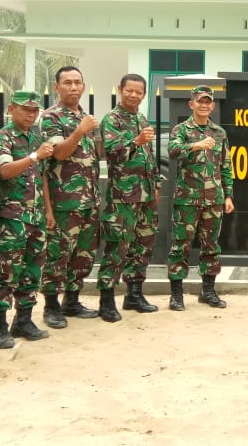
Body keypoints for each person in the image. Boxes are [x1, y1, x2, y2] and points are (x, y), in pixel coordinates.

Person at [0, 90, 55, 348]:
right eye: (25, 109)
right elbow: (5, 171)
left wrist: (48, 210)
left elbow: (43, 177)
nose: (30, 114)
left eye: (34, 110)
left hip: (36, 215)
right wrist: (34, 156)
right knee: (7, 272)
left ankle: (23, 320)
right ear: (11, 110)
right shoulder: (2, 138)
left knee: (32, 271)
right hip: (12, 216)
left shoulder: (37, 136)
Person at [98, 74, 164, 321]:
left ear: (144, 94)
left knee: (142, 246)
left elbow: (149, 157)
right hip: (123, 198)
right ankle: (106, 299)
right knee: (118, 248)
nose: (134, 95)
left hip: (146, 196)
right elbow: (114, 154)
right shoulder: (111, 120)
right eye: (130, 91)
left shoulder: (141, 118)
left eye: (139, 92)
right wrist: (136, 140)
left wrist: (156, 183)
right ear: (120, 90)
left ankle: (134, 294)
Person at [40, 66, 100, 327]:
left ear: (83, 86)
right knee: (58, 255)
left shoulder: (85, 116)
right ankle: (51, 306)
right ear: (57, 88)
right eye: (67, 83)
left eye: (77, 82)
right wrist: (79, 131)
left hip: (89, 201)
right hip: (63, 202)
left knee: (84, 254)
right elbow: (59, 154)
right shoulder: (51, 118)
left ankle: (72, 301)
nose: (73, 87)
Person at [168, 85, 234, 310]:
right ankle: (176, 295)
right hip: (187, 198)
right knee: (181, 246)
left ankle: (208, 291)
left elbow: (226, 166)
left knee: (211, 246)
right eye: (200, 101)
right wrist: (197, 145)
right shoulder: (181, 129)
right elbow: (173, 151)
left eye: (208, 102)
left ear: (213, 106)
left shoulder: (219, 133)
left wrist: (228, 195)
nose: (204, 105)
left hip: (213, 198)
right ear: (191, 104)